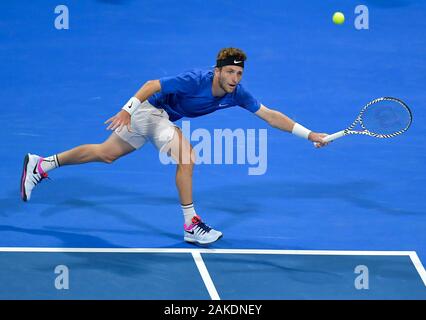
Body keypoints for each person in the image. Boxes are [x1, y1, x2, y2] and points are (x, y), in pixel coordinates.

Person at [20, 47, 328, 245]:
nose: (234, 78)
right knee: (187, 158)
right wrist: (127, 109)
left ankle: (42, 164)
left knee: (107, 154)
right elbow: (153, 85)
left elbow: (271, 116)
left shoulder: (237, 94)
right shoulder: (195, 79)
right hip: (151, 112)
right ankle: (191, 224)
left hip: (158, 117)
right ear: (217, 70)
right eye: (230, 72)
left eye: (239, 73)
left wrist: (309, 133)